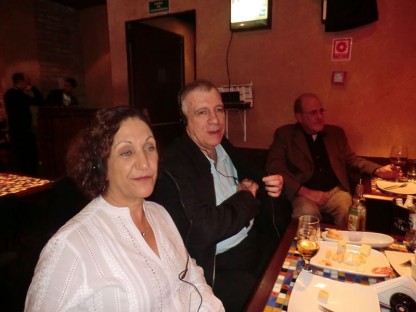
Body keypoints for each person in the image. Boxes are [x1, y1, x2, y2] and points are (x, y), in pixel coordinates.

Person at [25, 107, 224, 311]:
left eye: (149, 147)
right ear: (101, 165)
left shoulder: (160, 213)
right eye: (126, 152)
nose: (144, 163)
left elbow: (191, 274)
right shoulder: (70, 245)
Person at [150, 79, 284, 311]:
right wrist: (246, 198)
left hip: (253, 244)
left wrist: (273, 182)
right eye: (202, 112)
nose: (215, 119)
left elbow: (258, 181)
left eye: (219, 110)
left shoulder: (223, 146)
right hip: (217, 267)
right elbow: (203, 229)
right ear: (185, 121)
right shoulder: (174, 163)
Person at [266, 93, 399, 226]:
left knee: (349, 211)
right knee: (306, 214)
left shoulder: (336, 134)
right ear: (299, 117)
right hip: (303, 194)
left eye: (321, 111)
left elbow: (352, 160)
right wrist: (305, 192)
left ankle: (345, 245)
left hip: (335, 192)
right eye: (313, 113)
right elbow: (273, 166)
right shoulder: (285, 135)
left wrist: (377, 169)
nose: (319, 117)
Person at [3, 72, 43, 175]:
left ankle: (27, 173)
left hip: (18, 130)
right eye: (26, 81)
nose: (27, 84)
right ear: (20, 81)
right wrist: (33, 88)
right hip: (22, 131)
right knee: (28, 156)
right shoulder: (17, 94)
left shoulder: (10, 94)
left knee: (23, 156)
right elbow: (39, 101)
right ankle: (30, 174)